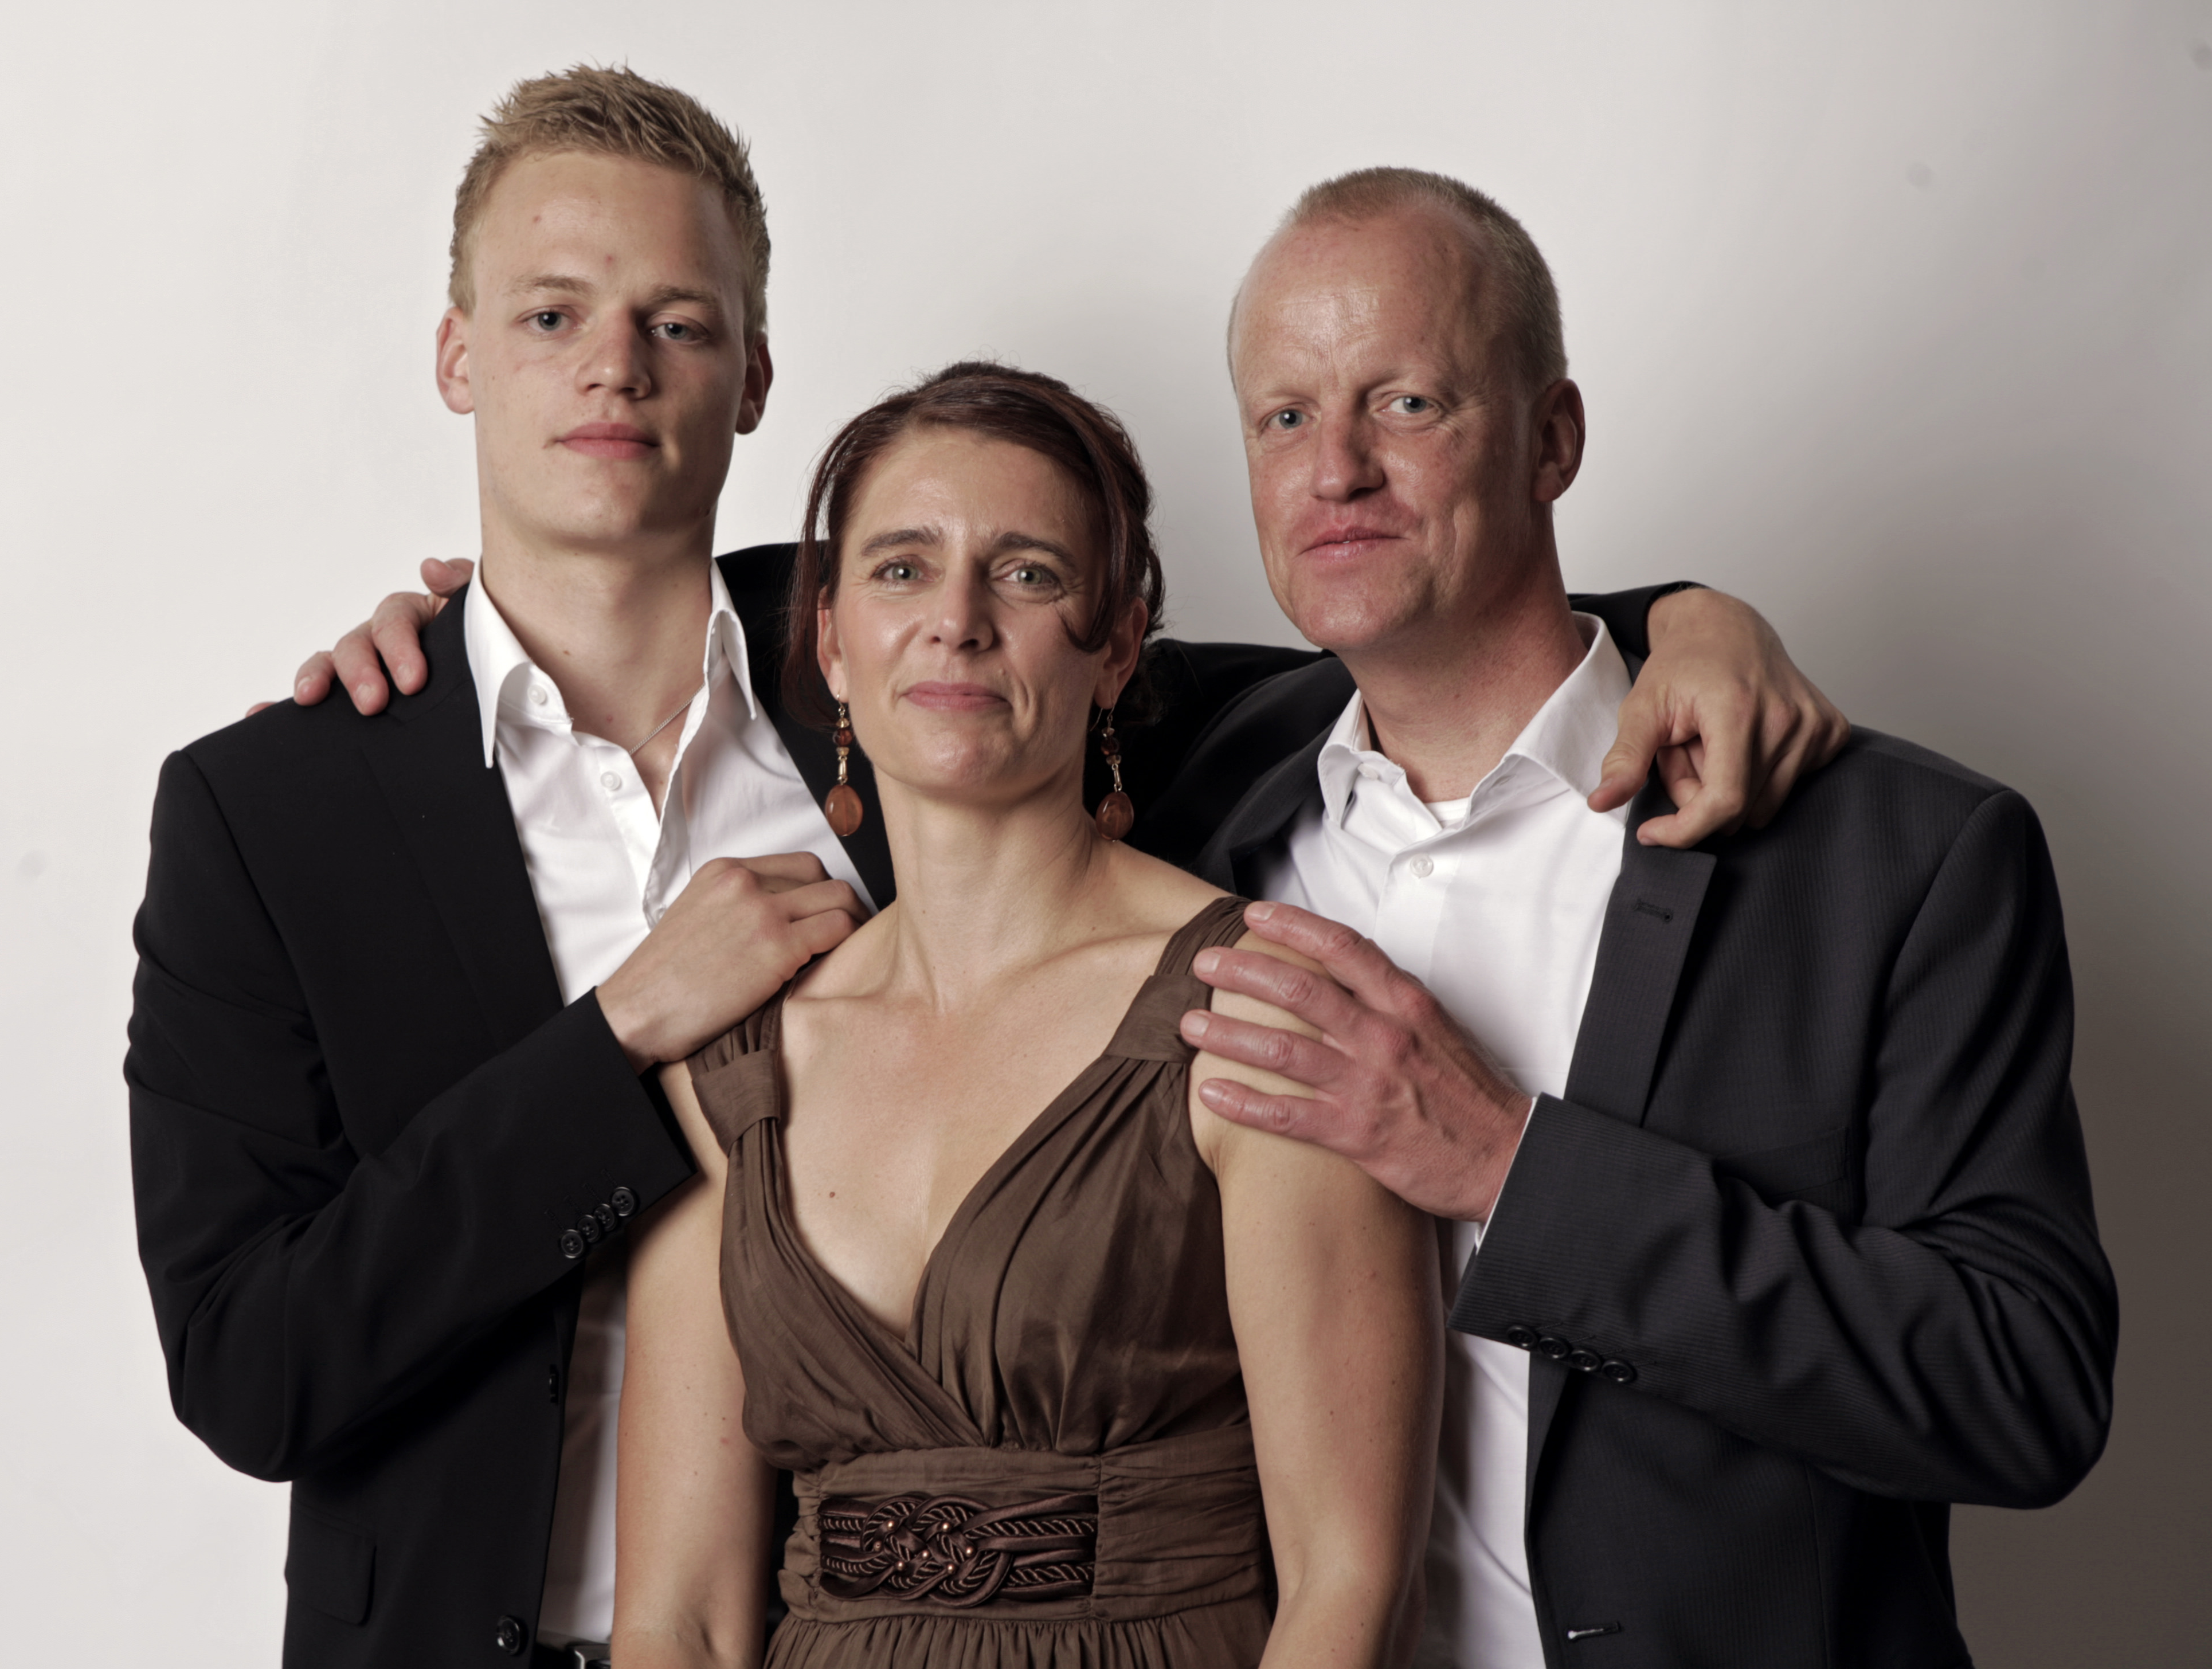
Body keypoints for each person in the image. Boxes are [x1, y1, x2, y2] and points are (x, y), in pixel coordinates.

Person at [157, 68, 1841, 1666]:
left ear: (754, 374)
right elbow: (250, 1367)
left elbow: (1421, 637)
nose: (615, 370)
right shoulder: (278, 807)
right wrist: (616, 1045)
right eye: (549, 315)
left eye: (679, 322)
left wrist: (1687, 624)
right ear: (456, 352)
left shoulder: (935, 664)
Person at [1162, 169, 2118, 1666]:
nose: (1334, 468)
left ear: (1553, 438)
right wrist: (1693, 608)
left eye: (1406, 403)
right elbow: (897, 619)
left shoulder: (1900, 855)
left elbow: (2023, 1387)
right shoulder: (1189, 783)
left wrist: (1507, 1162)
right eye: (1284, 416)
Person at [614, 362, 1439, 1667]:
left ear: (1118, 647)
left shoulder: (1263, 1009)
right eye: (901, 569)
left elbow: (1348, 1582)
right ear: (831, 642)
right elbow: (678, 1621)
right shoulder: (730, 1066)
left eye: (1027, 573)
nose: (957, 622)